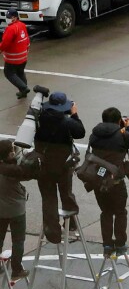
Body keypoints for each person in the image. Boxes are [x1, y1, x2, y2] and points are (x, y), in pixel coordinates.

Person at [89, 107, 129, 257]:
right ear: (119, 120)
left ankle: (107, 244)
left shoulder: (94, 135)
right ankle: (120, 243)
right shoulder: (121, 136)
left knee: (105, 212)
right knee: (120, 212)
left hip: (99, 181)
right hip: (116, 182)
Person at [34, 91, 85, 244]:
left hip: (44, 164)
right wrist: (75, 115)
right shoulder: (67, 122)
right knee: (67, 194)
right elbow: (80, 133)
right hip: (63, 165)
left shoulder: (39, 118)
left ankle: (52, 233)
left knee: (48, 198)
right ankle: (71, 225)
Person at [0, 140, 31, 279]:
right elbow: (27, 173)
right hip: (16, 209)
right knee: (18, 240)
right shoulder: (13, 170)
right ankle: (16, 269)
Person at [0, 8, 30, 99]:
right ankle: (23, 92)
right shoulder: (22, 25)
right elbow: (27, 39)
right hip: (23, 57)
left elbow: (5, 43)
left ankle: (23, 88)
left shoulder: (10, 29)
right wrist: (27, 49)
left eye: (10, 17)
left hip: (13, 59)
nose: (8, 18)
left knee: (8, 73)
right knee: (20, 72)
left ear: (16, 17)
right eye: (8, 17)